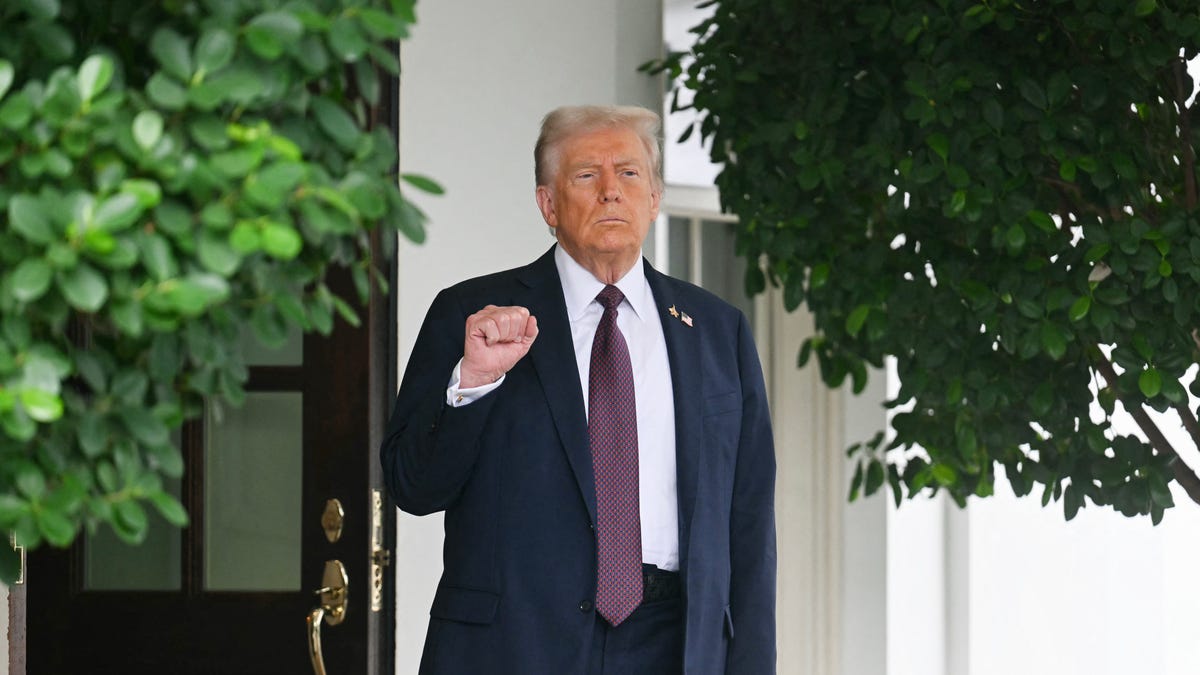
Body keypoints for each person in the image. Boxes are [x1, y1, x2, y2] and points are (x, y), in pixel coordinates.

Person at [381, 104, 776, 674]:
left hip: (674, 644)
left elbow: (749, 522)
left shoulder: (717, 330)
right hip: (514, 644)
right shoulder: (474, 316)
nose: (611, 192)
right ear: (548, 203)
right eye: (587, 175)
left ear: (656, 198)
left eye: (630, 173)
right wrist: (473, 381)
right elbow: (413, 487)